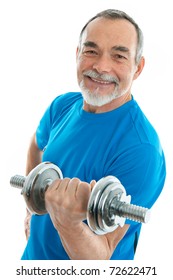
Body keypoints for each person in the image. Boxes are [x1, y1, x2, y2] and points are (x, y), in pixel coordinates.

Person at [21, 9, 166, 260]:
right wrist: (31, 208)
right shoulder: (62, 106)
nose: (101, 66)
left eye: (119, 56)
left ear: (138, 68)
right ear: (77, 55)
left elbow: (102, 258)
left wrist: (67, 222)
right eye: (91, 51)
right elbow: (35, 145)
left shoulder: (142, 149)